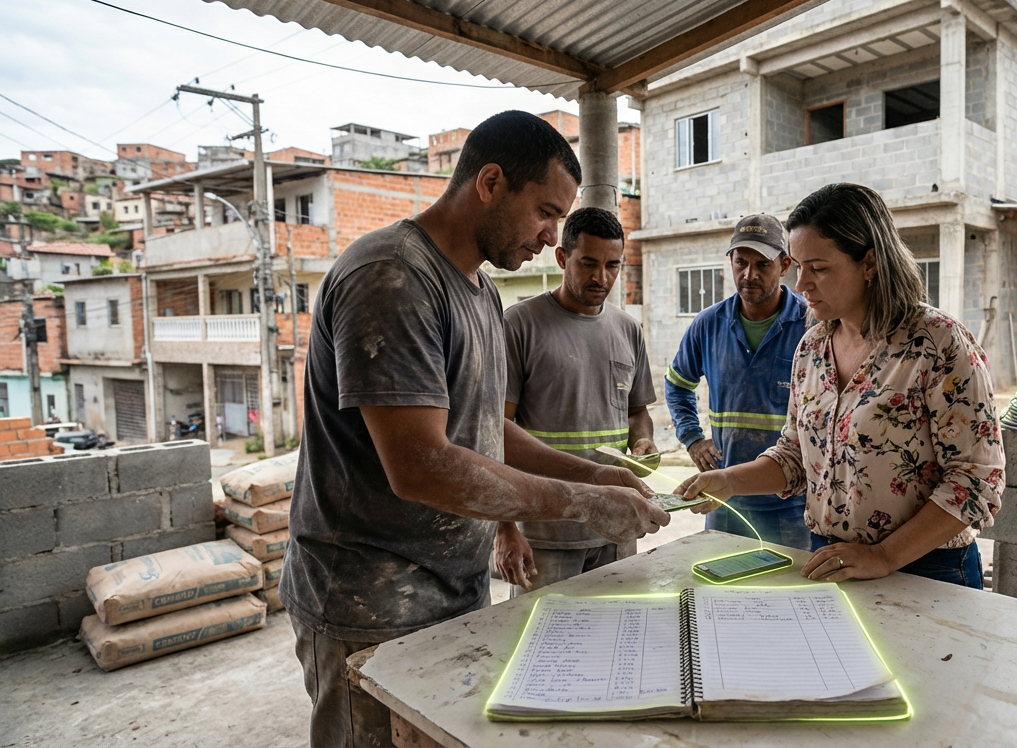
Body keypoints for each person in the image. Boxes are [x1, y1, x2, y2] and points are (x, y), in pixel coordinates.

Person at [280, 111, 669, 748]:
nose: (551, 238)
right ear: (489, 182)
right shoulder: (393, 276)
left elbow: (486, 427)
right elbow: (421, 465)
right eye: (545, 212)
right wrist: (582, 502)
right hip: (367, 604)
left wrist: (592, 471)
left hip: (452, 593)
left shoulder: (480, 293)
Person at [677, 183, 1004, 587]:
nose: (800, 285)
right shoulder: (812, 348)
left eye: (819, 268)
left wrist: (884, 556)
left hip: (926, 567)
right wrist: (729, 480)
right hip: (830, 557)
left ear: (869, 263)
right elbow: (796, 455)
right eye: (797, 267)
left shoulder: (936, 344)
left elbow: (976, 479)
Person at [496, 207, 657, 596]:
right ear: (563, 258)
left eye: (612, 266)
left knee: (618, 637)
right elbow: (494, 435)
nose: (602, 277)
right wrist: (505, 528)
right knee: (545, 647)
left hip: (618, 528)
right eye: (588, 263)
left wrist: (643, 442)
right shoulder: (519, 325)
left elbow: (638, 412)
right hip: (545, 534)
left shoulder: (627, 329)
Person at [664, 214, 811, 549]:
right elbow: (677, 385)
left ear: (784, 264)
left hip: (791, 505)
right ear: (730, 261)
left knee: (786, 596)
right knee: (721, 595)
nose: (749, 275)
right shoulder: (708, 325)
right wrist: (693, 439)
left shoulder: (810, 325)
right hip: (723, 501)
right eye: (741, 262)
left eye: (762, 264)